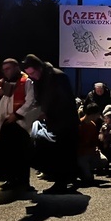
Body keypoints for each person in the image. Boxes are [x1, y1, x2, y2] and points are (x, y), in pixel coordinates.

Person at [22, 54, 79, 194]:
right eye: (29, 74)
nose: (32, 76)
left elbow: (65, 101)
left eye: (33, 73)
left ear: (39, 68)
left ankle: (61, 183)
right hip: (55, 121)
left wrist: (47, 112)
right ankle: (67, 179)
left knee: (62, 153)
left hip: (65, 122)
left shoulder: (57, 77)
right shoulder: (42, 79)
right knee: (62, 153)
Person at [0, 58, 39, 190]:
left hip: (19, 123)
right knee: (8, 153)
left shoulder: (26, 81)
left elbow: (30, 101)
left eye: (8, 68)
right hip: (5, 121)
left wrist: (16, 114)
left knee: (21, 153)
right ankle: (11, 179)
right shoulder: (2, 82)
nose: (6, 71)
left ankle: (24, 182)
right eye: (4, 69)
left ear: (16, 68)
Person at [77, 103, 101, 185]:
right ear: (92, 115)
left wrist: (96, 148)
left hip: (90, 152)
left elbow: (94, 141)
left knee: (104, 161)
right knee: (88, 179)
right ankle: (80, 170)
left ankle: (86, 169)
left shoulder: (93, 125)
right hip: (81, 154)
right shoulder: (79, 125)